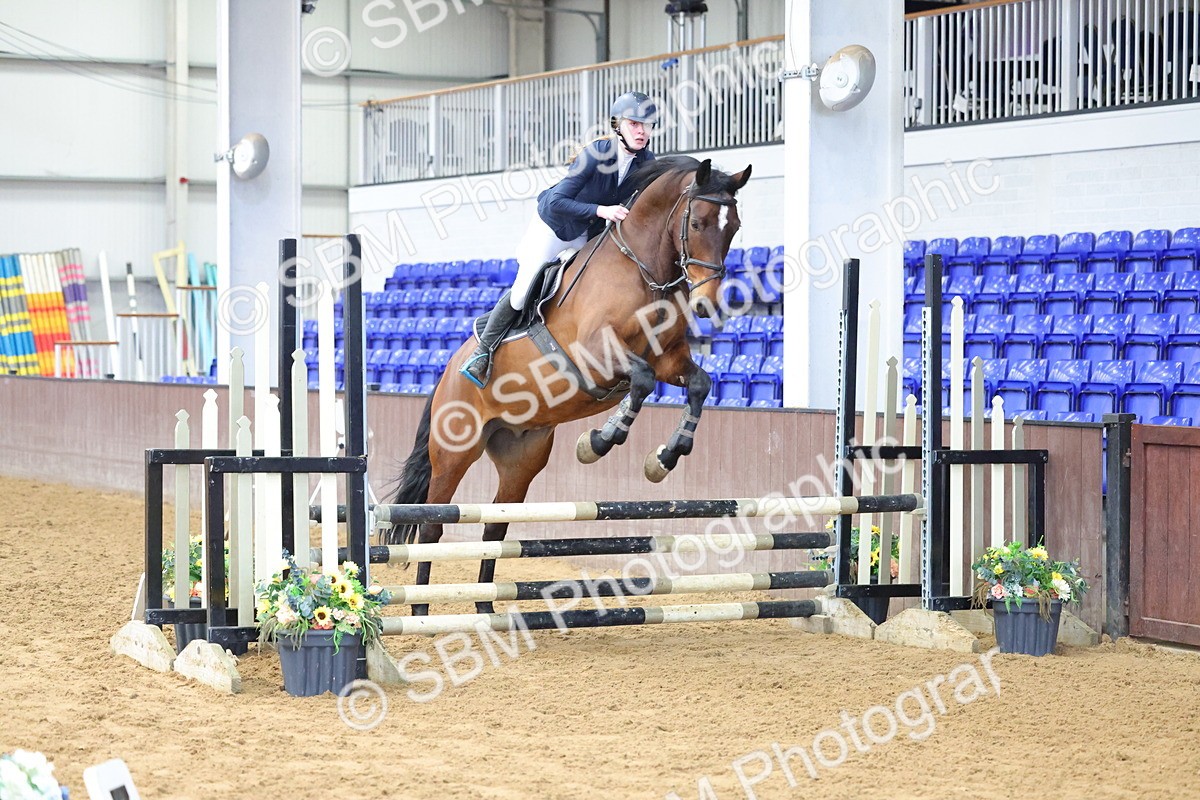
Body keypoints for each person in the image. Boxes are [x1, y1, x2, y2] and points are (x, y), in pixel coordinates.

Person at [460, 91, 658, 388]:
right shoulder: (596, 154)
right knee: (522, 290)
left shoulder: (647, 161)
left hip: (589, 235)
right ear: (618, 125)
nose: (641, 132)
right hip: (555, 226)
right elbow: (556, 202)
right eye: (634, 124)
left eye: (647, 125)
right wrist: (601, 210)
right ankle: (482, 351)